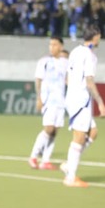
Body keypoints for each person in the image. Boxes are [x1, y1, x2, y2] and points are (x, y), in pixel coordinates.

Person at [62, 25, 105, 187]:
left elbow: (67, 78)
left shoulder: (75, 51)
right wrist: (101, 103)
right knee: (79, 137)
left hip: (73, 97)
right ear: (95, 37)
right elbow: (89, 81)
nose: (100, 39)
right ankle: (70, 177)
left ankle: (69, 164)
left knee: (92, 132)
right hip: (81, 100)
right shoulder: (90, 55)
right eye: (99, 36)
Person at [28, 36, 68, 169]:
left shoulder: (65, 63)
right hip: (48, 100)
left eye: (55, 45)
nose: (52, 47)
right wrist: (39, 98)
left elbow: (67, 79)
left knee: (55, 131)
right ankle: (33, 157)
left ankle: (46, 161)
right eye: (50, 45)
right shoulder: (44, 62)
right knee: (48, 128)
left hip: (60, 101)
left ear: (61, 47)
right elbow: (38, 80)